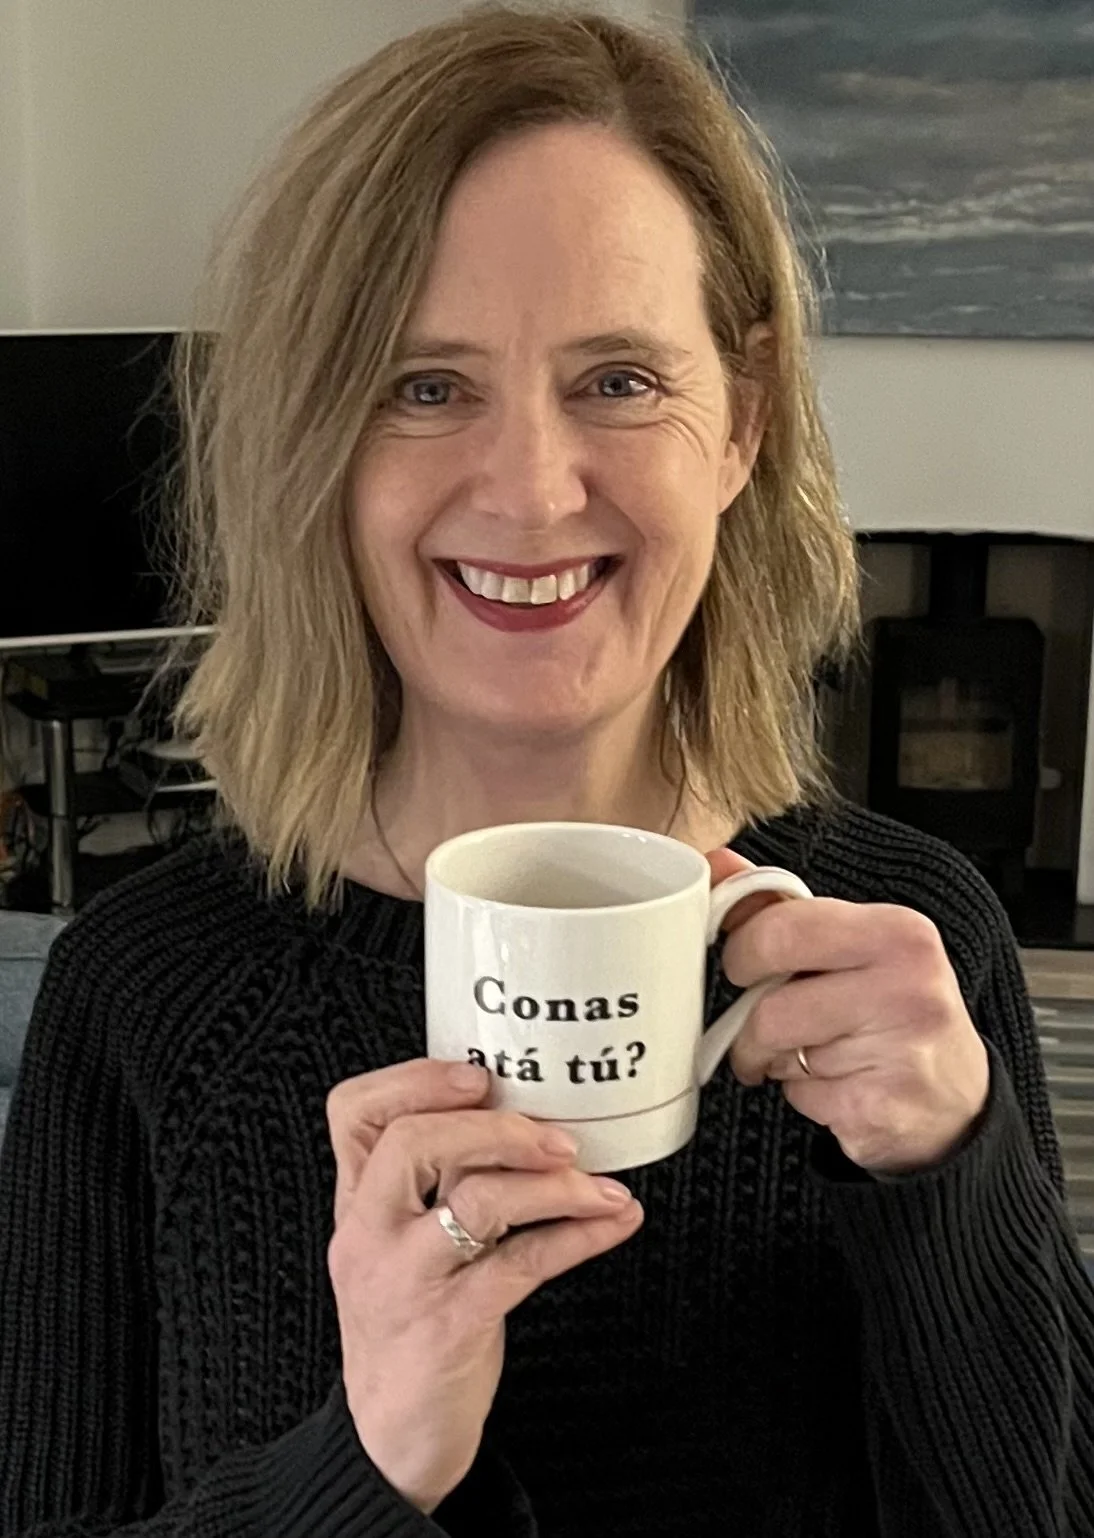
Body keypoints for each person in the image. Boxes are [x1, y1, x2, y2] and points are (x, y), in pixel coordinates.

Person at [1, 5, 1092, 1535]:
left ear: (740, 423)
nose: (527, 489)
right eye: (422, 384)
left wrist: (949, 1183)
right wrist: (363, 1464)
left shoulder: (915, 946)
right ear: (316, 440)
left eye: (620, 380)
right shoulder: (141, 990)